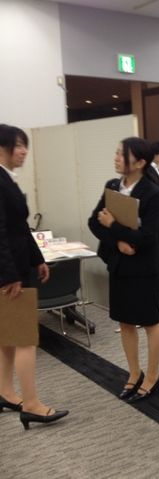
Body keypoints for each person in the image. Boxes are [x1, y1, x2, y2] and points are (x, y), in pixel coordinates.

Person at [0, 124, 68, 430]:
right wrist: (9, 274)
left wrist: (38, 258)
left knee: (7, 338)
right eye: (18, 145)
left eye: (24, 144)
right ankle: (31, 405)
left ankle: (5, 392)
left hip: (15, 267)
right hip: (10, 273)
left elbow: (19, 228)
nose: (24, 151)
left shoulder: (7, 179)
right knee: (25, 338)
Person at [88, 137, 159, 402]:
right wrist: (118, 241)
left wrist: (115, 228)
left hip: (144, 266)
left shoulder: (153, 193)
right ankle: (134, 373)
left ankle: (153, 376)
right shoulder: (113, 186)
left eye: (122, 154)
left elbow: (148, 236)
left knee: (150, 322)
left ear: (140, 162)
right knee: (125, 321)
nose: (116, 157)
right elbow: (94, 222)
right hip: (120, 263)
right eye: (117, 152)